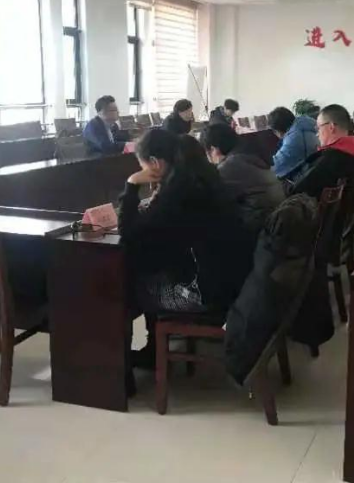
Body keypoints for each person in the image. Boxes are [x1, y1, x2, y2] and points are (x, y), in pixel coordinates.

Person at [119, 130, 254, 369]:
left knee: (126, 290)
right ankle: (154, 350)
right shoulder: (205, 179)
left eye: (142, 166)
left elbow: (129, 233)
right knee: (152, 270)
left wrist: (131, 186)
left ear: (155, 162)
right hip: (232, 284)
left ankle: (133, 362)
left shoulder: (178, 192)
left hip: (205, 294)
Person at [201, 124, 285, 233]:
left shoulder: (229, 167)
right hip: (278, 219)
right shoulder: (248, 154)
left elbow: (210, 199)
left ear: (213, 150)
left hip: (262, 228)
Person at [290, 104, 354, 199]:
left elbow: (296, 192)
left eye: (318, 128)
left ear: (331, 127)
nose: (317, 134)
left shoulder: (331, 159)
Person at [269, 106, 319, 180]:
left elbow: (274, 166)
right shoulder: (307, 125)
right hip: (316, 170)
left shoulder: (294, 139)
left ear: (277, 131)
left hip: (306, 179)